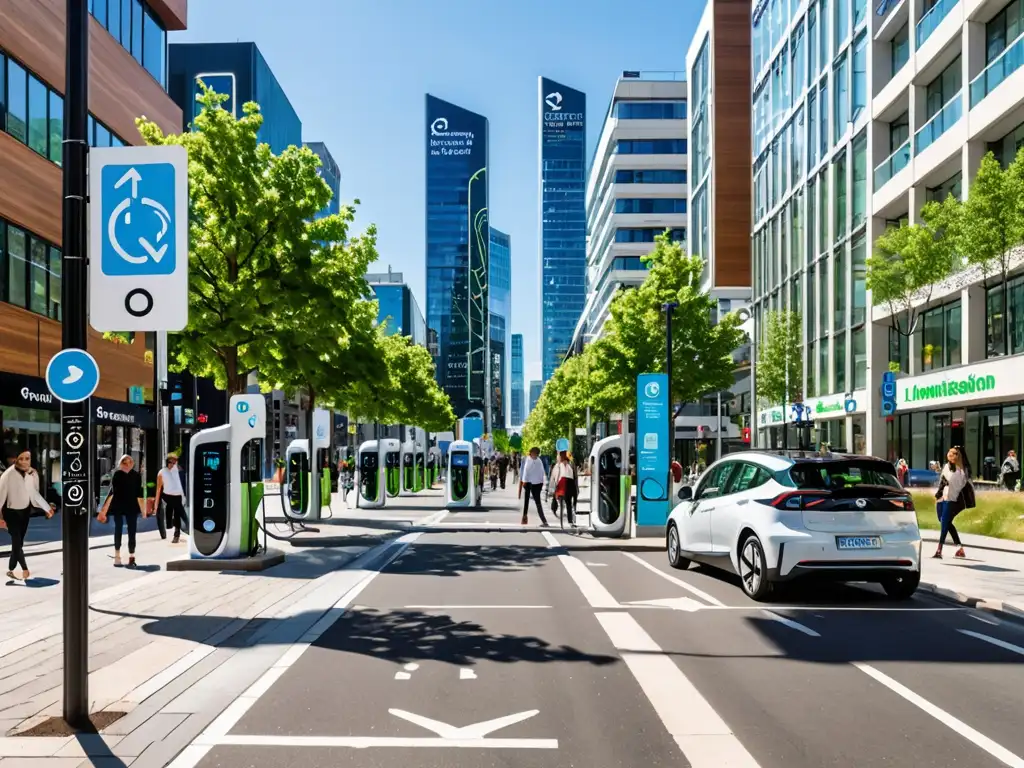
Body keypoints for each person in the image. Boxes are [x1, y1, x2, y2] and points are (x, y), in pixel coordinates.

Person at [0, 449, 56, 580]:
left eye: (27, 458)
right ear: (16, 460)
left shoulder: (33, 474)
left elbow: (34, 494)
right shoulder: (8, 475)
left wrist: (47, 508)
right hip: (10, 512)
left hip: (25, 512)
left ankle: (11, 568)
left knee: (19, 543)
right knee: (16, 540)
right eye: (21, 458)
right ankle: (25, 569)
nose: (25, 461)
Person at [98, 454, 146, 568]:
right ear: (121, 464)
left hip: (132, 507)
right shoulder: (117, 475)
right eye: (125, 463)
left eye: (130, 462)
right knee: (118, 530)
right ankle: (117, 556)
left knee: (132, 532)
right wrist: (103, 511)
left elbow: (139, 494)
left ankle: (131, 556)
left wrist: (143, 510)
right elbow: (112, 493)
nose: (127, 465)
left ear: (133, 463)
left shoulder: (137, 476)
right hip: (118, 506)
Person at [933, 446, 969, 559]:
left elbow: (959, 484)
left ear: (958, 457)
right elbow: (942, 481)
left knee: (945, 522)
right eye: (949, 453)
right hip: (941, 498)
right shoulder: (946, 466)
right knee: (944, 521)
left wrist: (947, 481)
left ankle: (939, 550)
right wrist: (938, 494)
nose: (950, 455)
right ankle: (960, 548)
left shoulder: (962, 471)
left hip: (952, 499)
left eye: (954, 454)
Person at [154, 453, 186, 544]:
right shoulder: (162, 472)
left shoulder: (179, 471)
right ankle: (182, 528)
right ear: (167, 462)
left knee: (177, 514)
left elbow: (183, 483)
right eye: (170, 462)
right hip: (168, 496)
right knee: (177, 512)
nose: (172, 464)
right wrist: (156, 504)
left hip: (178, 496)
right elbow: (158, 489)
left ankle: (177, 534)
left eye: (174, 462)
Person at [518, 447, 549, 526]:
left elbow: (541, 473)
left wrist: (541, 484)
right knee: (526, 501)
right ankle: (524, 518)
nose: (535, 455)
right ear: (531, 453)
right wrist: (524, 481)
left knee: (538, 502)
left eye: (536, 454)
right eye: (533, 453)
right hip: (528, 483)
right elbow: (525, 471)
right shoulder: (527, 460)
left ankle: (544, 520)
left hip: (537, 484)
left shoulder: (539, 461)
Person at [547, 450, 576, 526]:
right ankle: (569, 520)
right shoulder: (560, 466)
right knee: (567, 502)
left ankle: (569, 520)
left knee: (567, 502)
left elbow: (554, 477)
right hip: (565, 485)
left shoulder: (564, 466)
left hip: (565, 485)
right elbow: (554, 477)